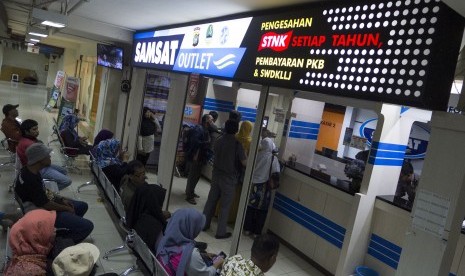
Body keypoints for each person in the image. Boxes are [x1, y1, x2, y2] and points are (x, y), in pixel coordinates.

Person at [15, 143, 94, 243]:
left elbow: (44, 192)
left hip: (42, 205)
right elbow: (45, 204)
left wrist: (61, 199)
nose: (50, 156)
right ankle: (57, 243)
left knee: (82, 206)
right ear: (40, 159)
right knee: (87, 226)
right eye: (47, 155)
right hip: (39, 213)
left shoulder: (30, 170)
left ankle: (68, 228)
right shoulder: (30, 178)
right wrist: (66, 208)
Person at [203, 119, 247, 239]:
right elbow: (244, 163)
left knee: (211, 201)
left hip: (216, 174)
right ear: (236, 130)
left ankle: (203, 224)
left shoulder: (218, 140)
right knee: (225, 206)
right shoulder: (237, 144)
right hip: (229, 178)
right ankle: (220, 232)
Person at [156, 208, 223, 275]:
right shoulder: (192, 254)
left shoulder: (164, 239)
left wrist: (202, 255)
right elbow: (207, 274)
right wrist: (217, 264)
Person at [17, 119, 72, 190]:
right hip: (37, 168)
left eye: (37, 128)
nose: (37, 131)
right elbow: (45, 161)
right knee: (67, 181)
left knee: (63, 171)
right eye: (34, 129)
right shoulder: (30, 144)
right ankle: (47, 193)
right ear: (26, 131)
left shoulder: (27, 139)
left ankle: (49, 186)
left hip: (37, 165)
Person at [244, 138, 281, 236]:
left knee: (250, 207)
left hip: (253, 184)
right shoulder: (273, 158)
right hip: (264, 187)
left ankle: (247, 229)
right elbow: (276, 172)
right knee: (262, 210)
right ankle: (257, 232)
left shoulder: (256, 155)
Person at [3, 209, 56, 276]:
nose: (55, 230)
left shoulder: (25, 259)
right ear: (36, 238)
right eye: (48, 228)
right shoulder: (32, 271)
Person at [185, 114, 213, 205]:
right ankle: (189, 196)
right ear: (206, 121)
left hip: (200, 156)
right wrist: (207, 143)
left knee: (196, 176)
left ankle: (191, 191)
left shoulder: (204, 129)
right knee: (193, 176)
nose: (212, 122)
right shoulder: (198, 129)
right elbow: (195, 142)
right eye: (211, 120)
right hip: (196, 156)